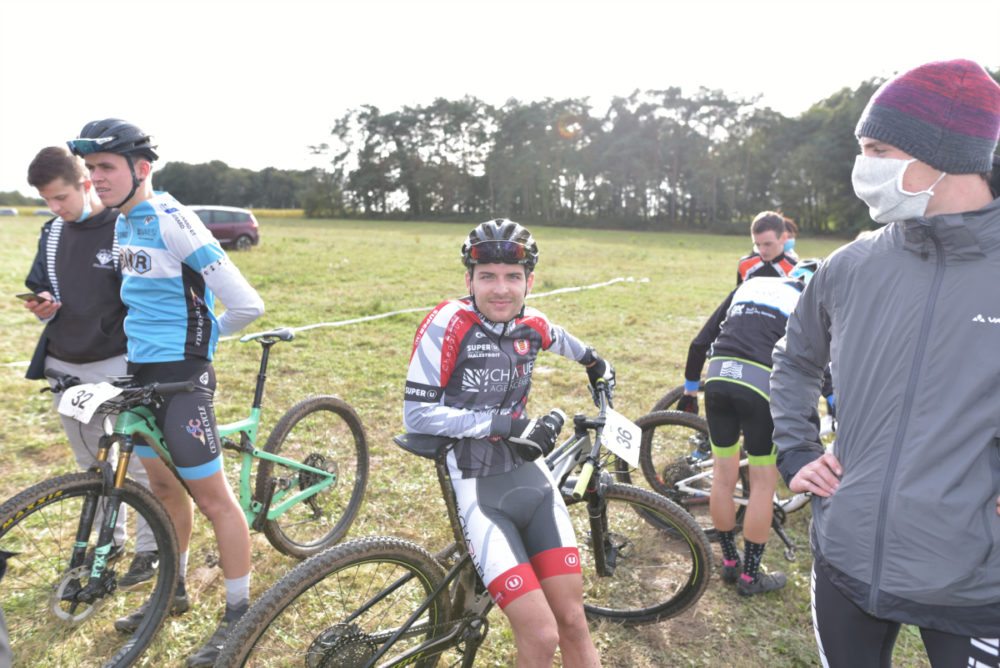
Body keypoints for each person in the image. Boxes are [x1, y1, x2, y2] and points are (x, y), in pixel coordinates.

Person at [771, 59, 1000, 667]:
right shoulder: (852, 264)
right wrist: (796, 449)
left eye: (877, 150)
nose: (862, 167)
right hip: (844, 560)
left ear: (945, 155)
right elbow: (794, 361)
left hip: (976, 585)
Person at [68, 118, 265, 667]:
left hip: (182, 380)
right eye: (91, 169)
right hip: (142, 375)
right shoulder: (123, 221)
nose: (96, 178)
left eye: (106, 167)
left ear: (141, 168)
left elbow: (247, 304)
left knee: (214, 500)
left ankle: (239, 612)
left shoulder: (175, 222)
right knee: (162, 489)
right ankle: (172, 590)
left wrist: (200, 349)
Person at [404, 219, 612, 667]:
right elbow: (417, 414)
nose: (501, 289)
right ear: (469, 281)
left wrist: (596, 363)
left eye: (513, 277)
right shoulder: (448, 323)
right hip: (479, 486)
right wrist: (506, 425)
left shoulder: (532, 323)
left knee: (573, 621)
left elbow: (561, 339)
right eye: (488, 277)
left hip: (531, 481)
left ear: (529, 282)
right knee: (541, 635)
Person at [23, 146, 159, 589]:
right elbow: (41, 283)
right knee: (92, 464)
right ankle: (110, 541)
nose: (54, 207)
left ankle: (151, 549)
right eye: (46, 199)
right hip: (65, 363)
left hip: (117, 363)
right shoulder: (52, 233)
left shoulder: (123, 227)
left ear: (85, 184)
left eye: (61, 197)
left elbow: (145, 296)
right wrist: (43, 304)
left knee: (139, 463)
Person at [678, 259, 820, 595]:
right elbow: (818, 367)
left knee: (723, 477)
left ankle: (729, 562)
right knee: (762, 484)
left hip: (718, 376)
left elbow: (700, 342)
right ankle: (750, 577)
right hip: (760, 384)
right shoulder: (808, 301)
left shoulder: (751, 284)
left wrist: (689, 390)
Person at [736, 211, 796, 285]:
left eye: (768, 244)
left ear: (783, 238)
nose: (762, 250)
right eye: (757, 244)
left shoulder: (794, 270)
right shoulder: (745, 264)